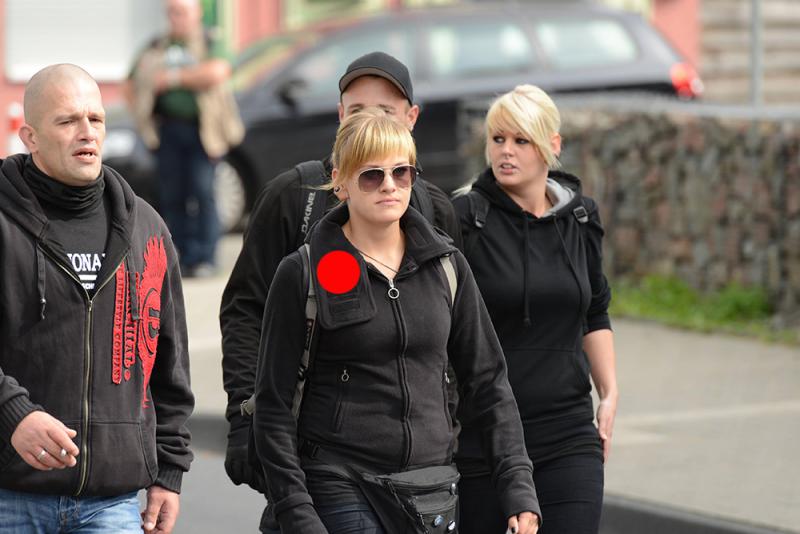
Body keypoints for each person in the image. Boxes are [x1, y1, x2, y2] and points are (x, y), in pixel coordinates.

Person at [253, 108, 540, 534]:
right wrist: (297, 511)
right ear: (341, 181)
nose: (389, 185)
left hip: (431, 484)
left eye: (402, 172)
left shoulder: (446, 265)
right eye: (372, 175)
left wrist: (518, 487)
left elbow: (489, 381)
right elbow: (272, 405)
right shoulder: (303, 272)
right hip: (340, 479)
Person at [219, 51, 461, 504]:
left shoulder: (434, 210)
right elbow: (245, 311)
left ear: (411, 119)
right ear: (339, 116)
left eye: (385, 111)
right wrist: (244, 415)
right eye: (356, 110)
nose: (368, 121)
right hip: (316, 456)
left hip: (420, 472)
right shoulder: (294, 198)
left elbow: (462, 341)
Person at [0, 64, 194, 534]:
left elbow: (170, 363)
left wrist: (169, 473)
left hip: (112, 504)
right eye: (67, 121)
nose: (86, 132)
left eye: (96, 119)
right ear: (31, 136)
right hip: (10, 496)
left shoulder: (146, 229)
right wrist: (11, 414)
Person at [452, 85, 618, 534]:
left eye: (521, 140)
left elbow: (595, 310)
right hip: (483, 438)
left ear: (552, 146)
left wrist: (609, 392)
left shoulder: (582, 217)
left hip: (568, 433)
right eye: (498, 139)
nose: (506, 152)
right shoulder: (465, 217)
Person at [126, 0, 243, 277]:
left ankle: (205, 257)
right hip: (167, 131)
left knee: (203, 193)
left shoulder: (210, 40)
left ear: (196, 13)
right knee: (172, 195)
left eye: (182, 12)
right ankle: (179, 256)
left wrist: (173, 78)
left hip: (203, 133)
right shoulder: (157, 45)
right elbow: (132, 81)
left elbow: (216, 72)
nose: (176, 18)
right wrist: (141, 113)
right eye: (172, 13)